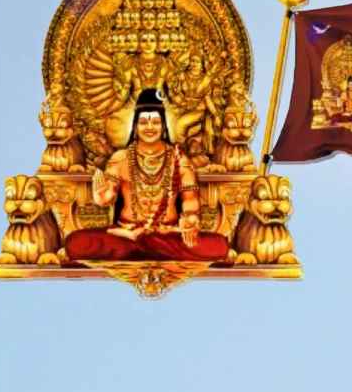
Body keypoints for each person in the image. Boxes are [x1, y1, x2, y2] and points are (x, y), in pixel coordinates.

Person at [64, 91, 231, 264]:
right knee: (76, 243)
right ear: (135, 127)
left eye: (155, 122)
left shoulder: (179, 159)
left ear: (163, 126)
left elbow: (190, 199)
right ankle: (146, 248)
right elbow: (109, 194)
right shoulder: (121, 158)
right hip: (127, 233)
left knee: (219, 246)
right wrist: (102, 197)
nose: (149, 127)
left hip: (167, 234)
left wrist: (190, 218)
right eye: (143, 122)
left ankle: (143, 248)